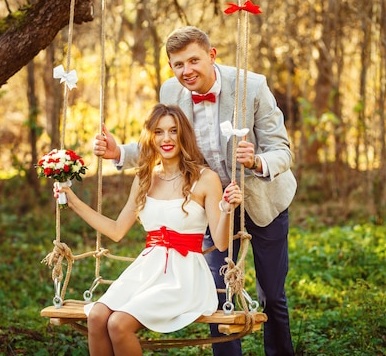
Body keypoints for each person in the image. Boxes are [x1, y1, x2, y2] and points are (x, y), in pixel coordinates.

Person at [93, 26, 297, 356]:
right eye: (178, 64)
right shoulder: (171, 92)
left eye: (194, 61)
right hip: (211, 204)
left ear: (212, 56)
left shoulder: (252, 86)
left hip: (262, 201)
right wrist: (120, 154)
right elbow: (164, 144)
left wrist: (257, 161)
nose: (186, 71)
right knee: (220, 295)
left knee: (270, 296)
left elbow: (283, 150)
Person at [56, 103, 242, 356]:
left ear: (183, 135)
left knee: (118, 323)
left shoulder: (204, 178)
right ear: (150, 137)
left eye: (173, 131)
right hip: (148, 268)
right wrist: (73, 201)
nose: (166, 139)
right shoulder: (145, 177)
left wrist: (228, 208)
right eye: (158, 131)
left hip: (184, 276)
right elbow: (116, 230)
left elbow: (221, 243)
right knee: (98, 316)